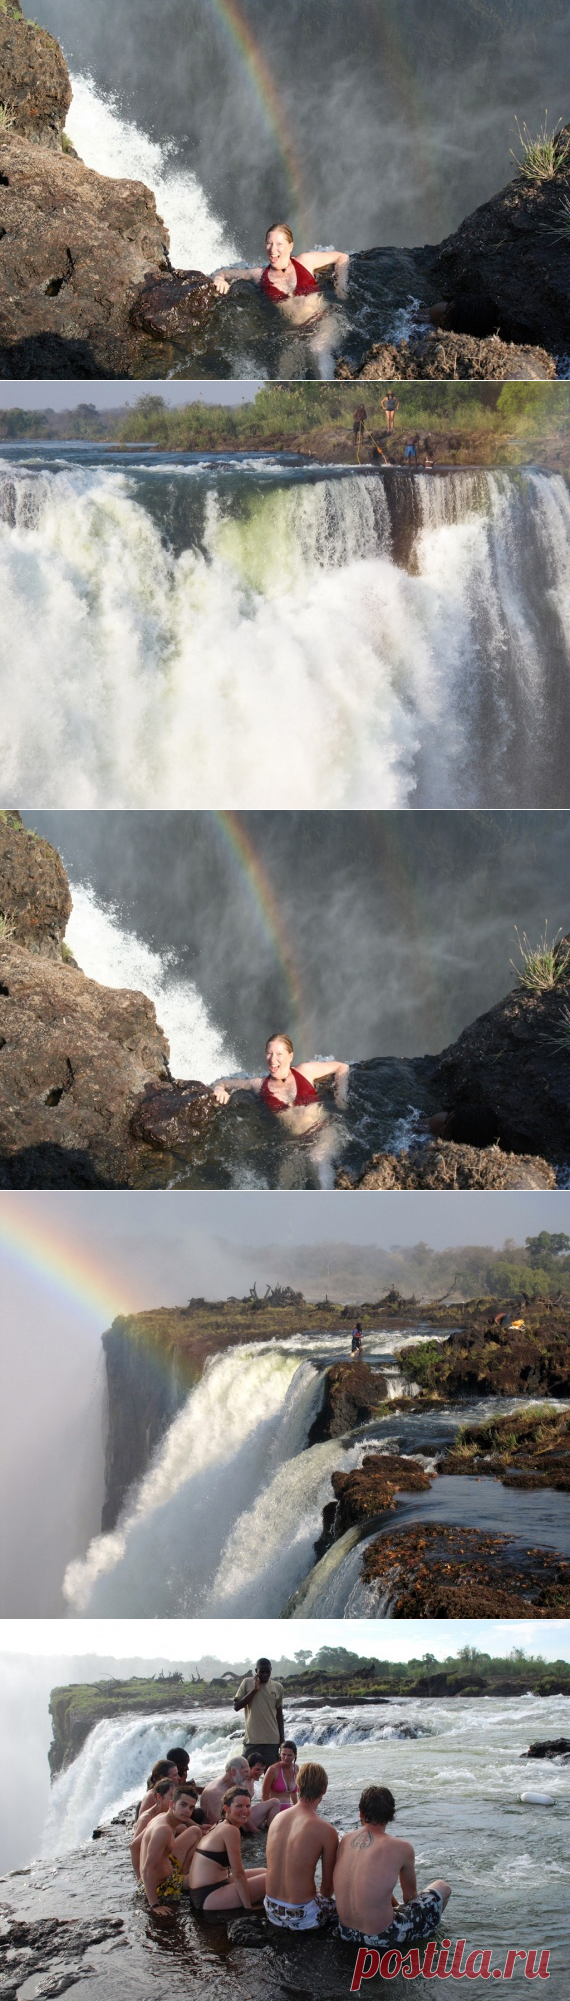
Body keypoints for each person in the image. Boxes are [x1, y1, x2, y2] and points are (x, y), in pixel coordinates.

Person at [333, 1783, 451, 1952]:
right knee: (442, 1887)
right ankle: (424, 1938)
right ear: (391, 1815)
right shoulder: (402, 1848)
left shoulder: (346, 1840)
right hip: (382, 1937)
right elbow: (410, 1898)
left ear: (361, 1813)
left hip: (346, 1932)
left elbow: (370, 1884)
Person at [214, 1034, 349, 1136]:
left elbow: (341, 1067)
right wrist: (219, 1089)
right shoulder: (258, 1084)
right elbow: (223, 1082)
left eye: (279, 1054)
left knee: (320, 1162)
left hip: (322, 1132)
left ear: (290, 1056)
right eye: (269, 1053)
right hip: (294, 1144)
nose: (273, 1059)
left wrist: (340, 1094)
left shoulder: (305, 1070)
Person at [212, 223, 350, 318]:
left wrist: (340, 285)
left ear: (290, 246)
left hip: (322, 323)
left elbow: (342, 257)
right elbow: (222, 272)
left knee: (321, 353)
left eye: (279, 244)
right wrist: (219, 279)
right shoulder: (258, 274)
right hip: (295, 334)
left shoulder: (305, 261)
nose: (272, 250)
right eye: (269, 243)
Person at [264, 1760, 338, 1931]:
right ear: (324, 1790)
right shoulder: (326, 1830)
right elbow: (327, 1887)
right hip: (303, 1916)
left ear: (297, 1785)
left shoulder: (277, 1819)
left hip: (271, 1909)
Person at [188, 1786, 267, 1914]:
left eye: (248, 1806)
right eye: (239, 1806)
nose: (245, 1810)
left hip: (210, 1887)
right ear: (226, 1808)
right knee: (270, 1879)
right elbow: (238, 1873)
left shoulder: (220, 1824)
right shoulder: (230, 1830)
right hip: (207, 1897)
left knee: (264, 1871)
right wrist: (248, 1908)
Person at [140, 1785, 201, 1918]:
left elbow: (134, 1845)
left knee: (195, 1831)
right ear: (172, 1804)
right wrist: (155, 1905)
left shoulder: (162, 1816)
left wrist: (138, 1877)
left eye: (191, 1807)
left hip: (169, 1864)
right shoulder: (163, 1830)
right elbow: (147, 1870)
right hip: (164, 1885)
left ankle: (184, 1872)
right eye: (183, 1805)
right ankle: (183, 1878)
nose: (187, 1811)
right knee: (211, 1877)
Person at [234, 1657, 285, 1767]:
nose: (265, 1674)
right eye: (262, 1671)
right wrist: (254, 1690)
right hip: (252, 1740)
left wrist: (282, 1740)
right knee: (245, 1773)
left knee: (271, 1775)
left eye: (268, 1671)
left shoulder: (278, 1687)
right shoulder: (247, 1683)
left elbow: (279, 1714)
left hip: (272, 1741)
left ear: (271, 1669)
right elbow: (237, 1706)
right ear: (256, 1671)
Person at [130, 1777, 177, 1878]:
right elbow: (134, 1847)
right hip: (151, 1867)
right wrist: (139, 1877)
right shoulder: (147, 1819)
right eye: (171, 1796)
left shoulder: (166, 1813)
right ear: (159, 1797)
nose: (174, 1800)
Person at [262, 1741, 299, 1810]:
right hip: (274, 1810)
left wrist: (298, 1809)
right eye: (283, 1754)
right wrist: (267, 1812)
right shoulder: (272, 1770)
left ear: (295, 1755)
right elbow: (264, 1795)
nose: (286, 1758)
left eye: (289, 1755)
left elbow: (293, 1794)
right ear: (280, 1754)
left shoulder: (296, 1768)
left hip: (288, 1810)